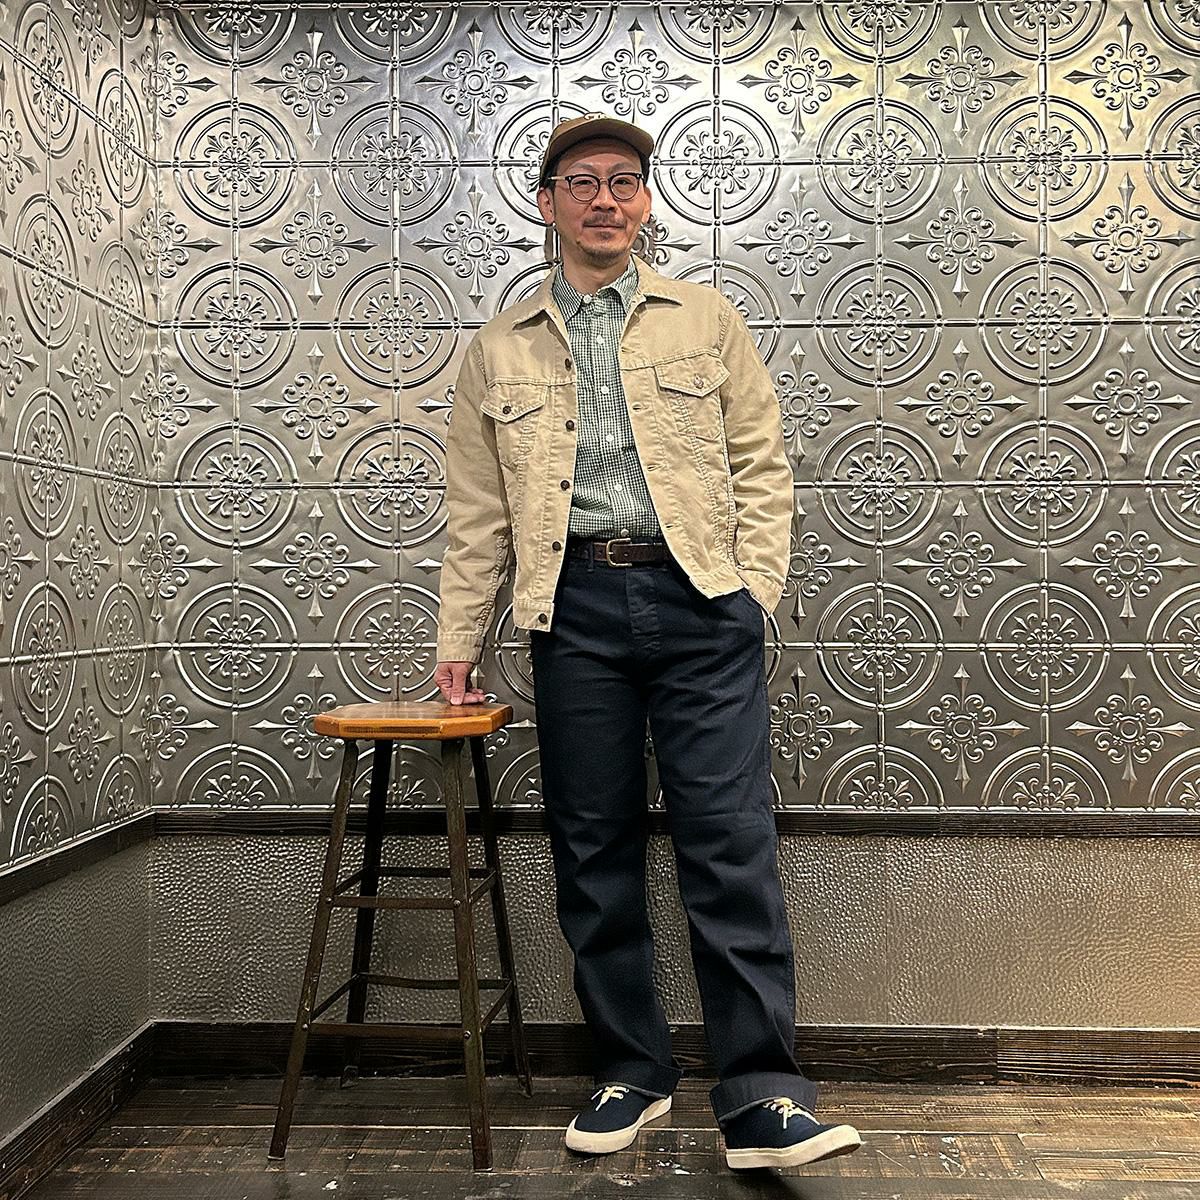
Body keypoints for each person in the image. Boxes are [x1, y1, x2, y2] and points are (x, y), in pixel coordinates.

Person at [433, 112, 862, 1170]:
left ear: (647, 202)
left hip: (701, 602)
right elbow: (478, 510)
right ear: (548, 204)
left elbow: (763, 463)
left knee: (729, 841)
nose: (605, 199)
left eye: (625, 180)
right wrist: (459, 638)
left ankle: (762, 1096)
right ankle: (631, 1069)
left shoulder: (706, 320)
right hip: (572, 608)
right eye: (582, 182)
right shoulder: (500, 347)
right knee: (593, 846)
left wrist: (753, 592)